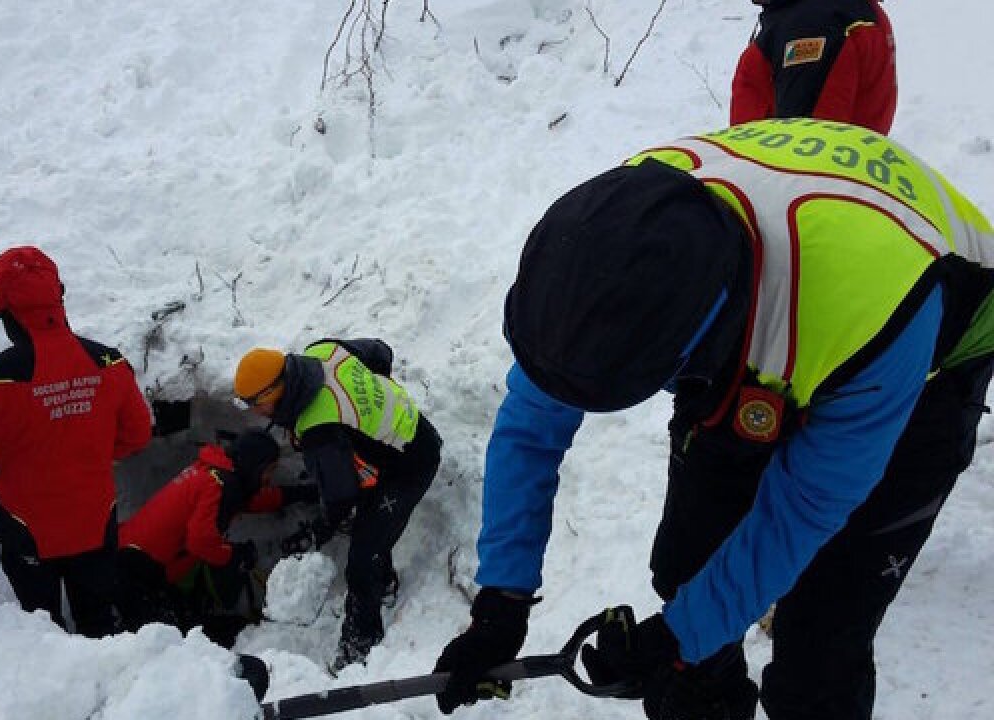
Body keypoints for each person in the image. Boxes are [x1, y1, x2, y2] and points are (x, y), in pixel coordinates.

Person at [433, 117, 994, 720]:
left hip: (924, 338)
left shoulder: (871, 314)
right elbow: (530, 427)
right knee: (687, 564)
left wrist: (675, 641)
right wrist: (502, 602)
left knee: (821, 644)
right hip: (783, 284)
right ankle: (713, 700)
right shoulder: (612, 241)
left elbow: (804, 508)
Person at [0, 246, 152, 638]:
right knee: (100, 624)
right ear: (59, 296)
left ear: (3, 312)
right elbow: (137, 434)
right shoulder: (110, 363)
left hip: (27, 532)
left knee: (40, 631)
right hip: (96, 522)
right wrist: (90, 450)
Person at [234, 339, 442, 670]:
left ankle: (360, 646)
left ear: (273, 392)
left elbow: (341, 497)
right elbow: (380, 352)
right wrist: (375, 409)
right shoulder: (323, 352)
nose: (253, 412)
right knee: (371, 522)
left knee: (362, 557)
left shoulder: (318, 427)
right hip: (409, 428)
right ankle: (383, 582)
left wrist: (320, 530)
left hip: (410, 464)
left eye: (253, 404)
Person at [116, 428, 318, 646]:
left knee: (185, 628)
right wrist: (232, 555)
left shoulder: (217, 474)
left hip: (139, 560)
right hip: (136, 570)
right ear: (254, 466)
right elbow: (200, 541)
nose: (268, 479)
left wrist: (301, 494)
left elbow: (252, 501)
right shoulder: (217, 484)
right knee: (169, 643)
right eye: (268, 471)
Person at [731, 0, 896, 134]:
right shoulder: (841, 11)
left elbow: (805, 141)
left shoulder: (812, 23)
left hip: (783, 168)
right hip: (771, 165)